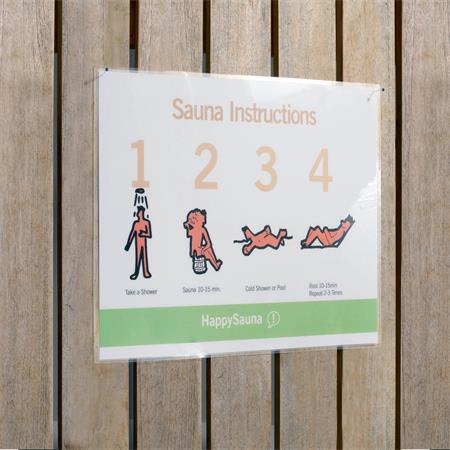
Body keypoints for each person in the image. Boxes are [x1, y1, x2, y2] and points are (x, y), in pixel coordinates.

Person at [125, 206, 152, 279]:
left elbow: (149, 234)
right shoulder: (136, 223)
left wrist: (143, 233)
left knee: (144, 257)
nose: (138, 213)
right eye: (138, 212)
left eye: (139, 212)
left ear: (142, 213)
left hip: (143, 243)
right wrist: (128, 244)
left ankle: (146, 272)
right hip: (137, 243)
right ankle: (136, 273)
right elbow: (132, 234)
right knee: (138, 257)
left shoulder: (146, 222)